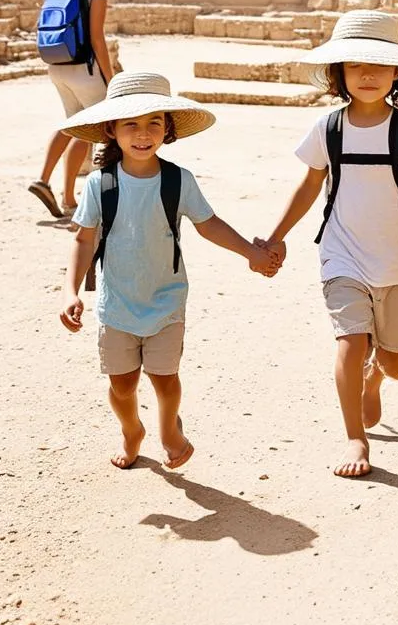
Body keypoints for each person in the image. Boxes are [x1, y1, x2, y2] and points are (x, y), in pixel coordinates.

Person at [259, 11, 398, 479]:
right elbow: (308, 187)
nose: (367, 76)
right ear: (339, 74)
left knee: (396, 362)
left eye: (379, 66)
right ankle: (355, 437)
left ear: (397, 73)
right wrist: (276, 236)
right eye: (354, 66)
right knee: (350, 340)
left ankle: (376, 378)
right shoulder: (329, 129)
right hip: (341, 254)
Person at [58, 72, 281, 471]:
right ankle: (131, 431)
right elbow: (83, 240)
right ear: (112, 129)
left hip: (166, 299)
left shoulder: (178, 180)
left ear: (168, 129)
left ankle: (168, 432)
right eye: (132, 124)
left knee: (165, 378)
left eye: (154, 123)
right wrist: (69, 290)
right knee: (122, 385)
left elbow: (208, 224)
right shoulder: (99, 184)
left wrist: (251, 251)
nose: (143, 134)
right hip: (117, 304)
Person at [28, 0, 115, 219]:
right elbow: (96, 36)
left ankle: (50, 185)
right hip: (85, 66)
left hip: (57, 63)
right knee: (89, 126)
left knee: (73, 124)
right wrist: (110, 76)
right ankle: (70, 197)